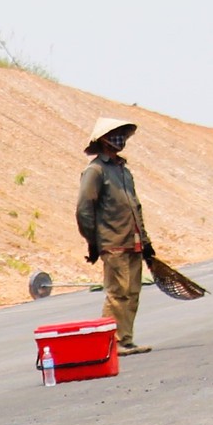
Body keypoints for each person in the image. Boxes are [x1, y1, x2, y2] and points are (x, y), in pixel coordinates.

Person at [76, 116, 154, 355]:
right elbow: (84, 209)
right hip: (113, 243)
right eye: (115, 135)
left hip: (132, 241)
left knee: (132, 293)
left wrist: (146, 241)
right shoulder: (95, 171)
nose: (120, 139)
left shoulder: (123, 171)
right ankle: (112, 343)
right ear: (104, 141)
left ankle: (126, 339)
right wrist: (93, 241)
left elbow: (135, 207)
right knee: (117, 293)